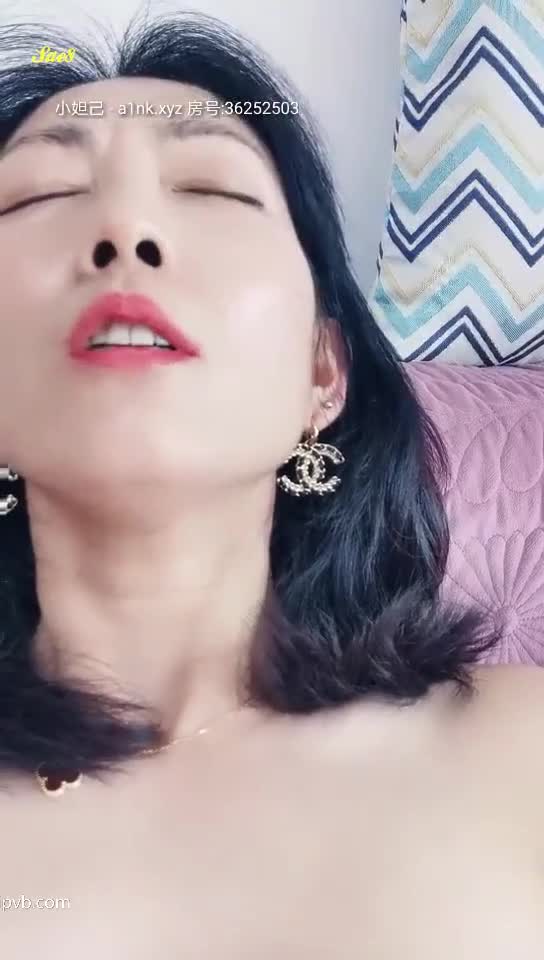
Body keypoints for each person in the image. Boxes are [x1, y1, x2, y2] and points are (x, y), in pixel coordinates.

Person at [0, 9, 542, 958]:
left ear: (322, 370)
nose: (125, 229)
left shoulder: (521, 747)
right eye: (39, 196)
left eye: (211, 188)